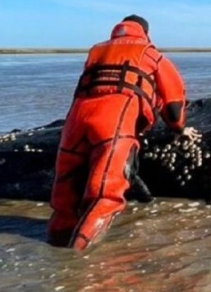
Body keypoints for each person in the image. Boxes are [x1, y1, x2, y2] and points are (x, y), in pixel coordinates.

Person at [47, 14, 198, 252]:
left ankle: (53, 248)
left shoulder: (96, 51)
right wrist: (179, 128)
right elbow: (173, 101)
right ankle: (76, 262)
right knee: (105, 195)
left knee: (65, 197)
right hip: (114, 122)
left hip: (75, 123)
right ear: (145, 33)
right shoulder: (149, 53)